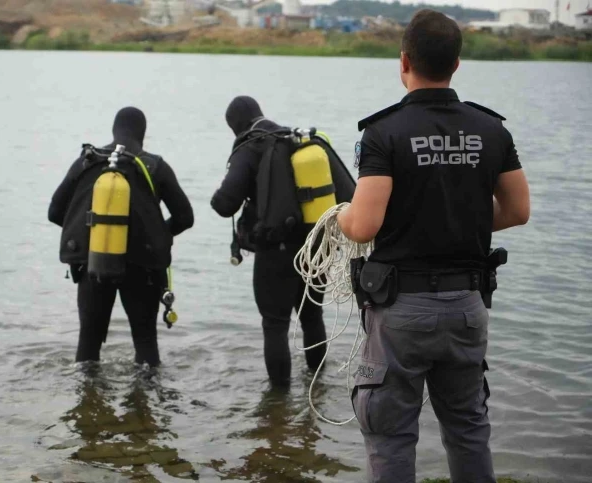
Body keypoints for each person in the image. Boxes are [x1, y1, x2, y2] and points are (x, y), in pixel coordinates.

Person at [337, 9, 530, 483]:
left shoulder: (382, 133)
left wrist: (340, 214)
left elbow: (363, 226)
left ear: (403, 61)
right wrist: (457, 219)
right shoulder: (492, 130)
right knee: (467, 428)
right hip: (468, 306)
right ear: (457, 64)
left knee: (390, 434)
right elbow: (517, 210)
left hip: (401, 310)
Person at [211, 96, 357, 388]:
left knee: (275, 325)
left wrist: (218, 195)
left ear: (235, 126)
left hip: (275, 250)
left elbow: (225, 203)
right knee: (312, 315)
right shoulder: (299, 140)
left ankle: (277, 403)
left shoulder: (249, 146)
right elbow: (350, 193)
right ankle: (317, 388)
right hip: (316, 245)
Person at [48, 107, 194, 367]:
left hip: (95, 262)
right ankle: (147, 403)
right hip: (143, 268)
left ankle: (87, 401)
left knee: (88, 343)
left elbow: (55, 212)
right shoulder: (155, 166)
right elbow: (185, 217)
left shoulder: (87, 160)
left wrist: (93, 235)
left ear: (114, 130)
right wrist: (157, 235)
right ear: (143, 134)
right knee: (146, 343)